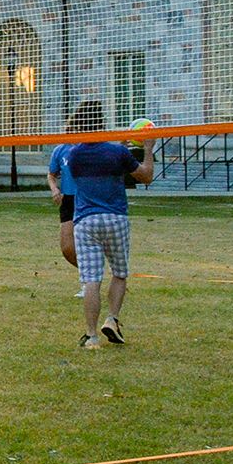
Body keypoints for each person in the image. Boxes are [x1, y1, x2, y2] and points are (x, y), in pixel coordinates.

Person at [63, 110, 155, 349]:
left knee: (91, 280)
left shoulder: (74, 155)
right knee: (119, 273)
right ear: (101, 125)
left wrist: (119, 149)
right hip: (115, 218)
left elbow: (98, 157)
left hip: (86, 220)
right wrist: (147, 148)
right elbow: (146, 176)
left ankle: (91, 336)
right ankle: (112, 319)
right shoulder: (118, 152)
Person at [47, 101, 104, 279]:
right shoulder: (60, 149)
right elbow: (51, 174)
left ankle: (89, 282)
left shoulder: (90, 148)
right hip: (68, 200)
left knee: (85, 243)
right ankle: (91, 275)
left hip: (86, 199)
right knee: (67, 248)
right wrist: (55, 189)